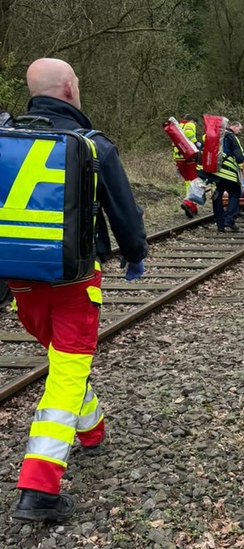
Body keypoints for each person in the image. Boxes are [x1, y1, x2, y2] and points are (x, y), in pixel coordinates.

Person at [7, 58, 148, 523]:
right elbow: (124, 215)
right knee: (66, 373)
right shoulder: (92, 146)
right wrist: (134, 253)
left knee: (67, 364)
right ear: (69, 89)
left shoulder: (6, 140)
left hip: (21, 285)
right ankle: (39, 488)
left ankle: (92, 431)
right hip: (73, 284)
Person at [211, 120, 244, 232]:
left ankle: (220, 225)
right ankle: (229, 220)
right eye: (239, 129)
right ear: (232, 126)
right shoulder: (232, 137)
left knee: (217, 197)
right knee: (235, 194)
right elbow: (239, 156)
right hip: (228, 173)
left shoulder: (213, 137)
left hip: (215, 173)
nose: (239, 132)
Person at [173, 114, 202, 219]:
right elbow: (189, 133)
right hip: (188, 157)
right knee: (195, 181)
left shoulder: (177, 126)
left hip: (178, 158)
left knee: (188, 182)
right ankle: (188, 202)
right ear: (193, 120)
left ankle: (193, 206)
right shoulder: (190, 124)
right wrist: (196, 143)